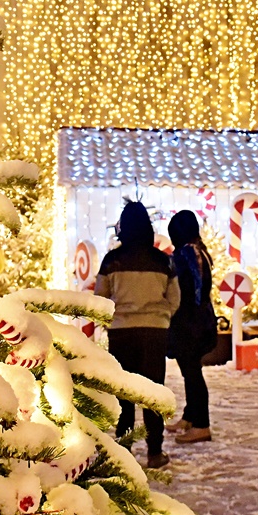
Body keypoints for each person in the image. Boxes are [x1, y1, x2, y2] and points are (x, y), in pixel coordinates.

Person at [95, 201, 180, 469]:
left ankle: (124, 451)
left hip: (121, 333)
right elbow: (175, 298)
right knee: (153, 392)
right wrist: (161, 316)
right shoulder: (163, 261)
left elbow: (100, 297)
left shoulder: (112, 260)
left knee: (125, 394)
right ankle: (155, 451)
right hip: (154, 332)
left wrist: (113, 318)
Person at [166, 210, 217, 444]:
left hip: (189, 323)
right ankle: (190, 416)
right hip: (199, 320)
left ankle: (201, 425)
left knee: (192, 372)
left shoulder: (186, 254)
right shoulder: (199, 251)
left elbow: (182, 290)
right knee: (190, 371)